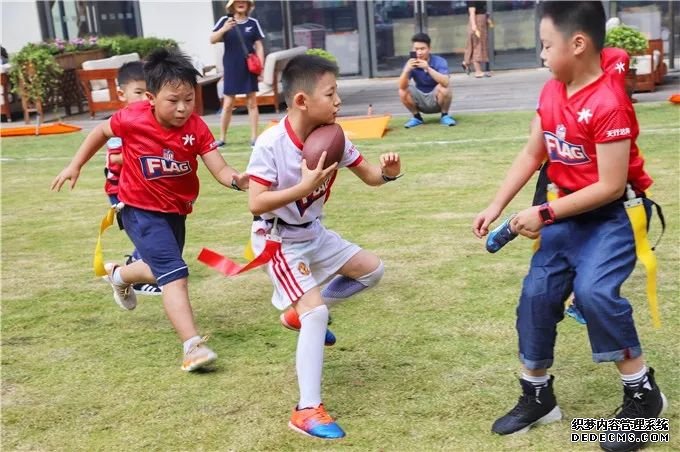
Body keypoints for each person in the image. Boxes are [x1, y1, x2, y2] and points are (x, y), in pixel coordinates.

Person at [472, 3, 666, 451]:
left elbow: (612, 186)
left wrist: (542, 214)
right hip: (564, 215)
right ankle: (537, 396)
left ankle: (643, 400)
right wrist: (496, 204)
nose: (541, 55)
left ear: (577, 44)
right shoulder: (551, 91)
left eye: (545, 45)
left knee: (596, 294)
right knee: (536, 295)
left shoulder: (609, 103)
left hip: (610, 218)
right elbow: (532, 153)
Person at [51, 48, 249, 372]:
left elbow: (220, 168)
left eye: (189, 98)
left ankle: (119, 275)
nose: (183, 108)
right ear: (151, 97)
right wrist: (75, 164)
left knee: (161, 271)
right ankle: (192, 346)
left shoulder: (197, 128)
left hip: (175, 211)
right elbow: (101, 132)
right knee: (175, 275)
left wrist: (238, 180)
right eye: (174, 100)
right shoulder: (132, 117)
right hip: (138, 209)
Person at [246, 54, 401, 439]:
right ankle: (306, 410)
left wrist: (388, 174)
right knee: (315, 315)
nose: (337, 102)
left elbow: (370, 178)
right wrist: (303, 186)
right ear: (301, 100)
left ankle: (298, 315)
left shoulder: (336, 135)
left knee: (372, 270)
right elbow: (256, 201)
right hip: (277, 238)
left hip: (313, 232)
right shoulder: (271, 143)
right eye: (330, 94)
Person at [102, 61, 162, 296]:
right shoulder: (119, 121)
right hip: (120, 189)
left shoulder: (150, 119)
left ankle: (133, 267)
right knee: (144, 232)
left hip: (142, 188)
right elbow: (116, 157)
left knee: (152, 230)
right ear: (121, 93)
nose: (145, 99)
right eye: (138, 93)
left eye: (148, 94)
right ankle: (135, 277)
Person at [210, 0, 265, 147]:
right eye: (237, 1)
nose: (241, 3)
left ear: (248, 5)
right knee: (228, 104)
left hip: (249, 67)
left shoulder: (253, 23)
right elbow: (212, 39)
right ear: (232, 5)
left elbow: (259, 46)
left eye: (244, 1)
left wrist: (261, 67)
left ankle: (254, 138)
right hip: (231, 67)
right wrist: (224, 29)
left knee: (252, 102)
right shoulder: (224, 20)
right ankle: (222, 138)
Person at [398, 32, 456, 128]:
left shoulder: (439, 61)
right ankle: (417, 117)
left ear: (429, 49)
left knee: (445, 86)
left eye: (422, 49)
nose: (419, 52)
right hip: (420, 99)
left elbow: (446, 82)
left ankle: (445, 115)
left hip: (437, 99)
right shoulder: (411, 63)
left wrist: (428, 68)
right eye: (416, 49)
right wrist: (406, 70)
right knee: (403, 90)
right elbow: (401, 87)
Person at [462, 1, 491, 78]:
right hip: (477, 22)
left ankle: (466, 62)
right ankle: (478, 71)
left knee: (475, 45)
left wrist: (487, 18)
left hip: (481, 21)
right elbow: (472, 13)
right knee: (477, 45)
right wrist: (474, 26)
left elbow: (483, 9)